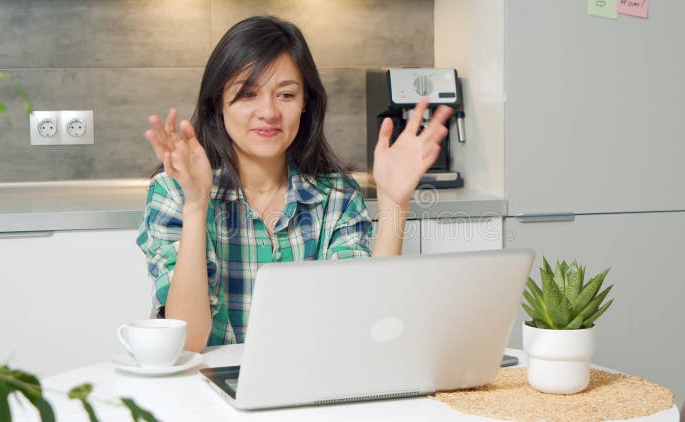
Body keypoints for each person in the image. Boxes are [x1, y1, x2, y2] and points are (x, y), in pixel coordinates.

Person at [137, 16, 452, 352]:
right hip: (206, 390)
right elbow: (188, 343)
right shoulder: (173, 193)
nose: (268, 112)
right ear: (217, 103)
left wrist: (393, 203)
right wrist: (197, 205)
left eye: (286, 95)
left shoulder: (337, 196)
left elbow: (365, 323)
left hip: (311, 385)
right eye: (247, 95)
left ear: (306, 104)